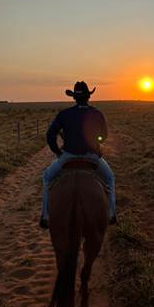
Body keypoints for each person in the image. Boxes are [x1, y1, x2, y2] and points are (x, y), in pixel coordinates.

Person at [39, 81, 116, 229]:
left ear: (74, 98)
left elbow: (50, 134)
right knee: (110, 178)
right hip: (92, 157)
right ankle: (111, 214)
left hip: (68, 156)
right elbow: (104, 136)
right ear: (88, 97)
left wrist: (57, 151)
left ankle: (46, 216)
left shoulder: (64, 114)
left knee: (47, 177)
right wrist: (97, 140)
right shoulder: (97, 113)